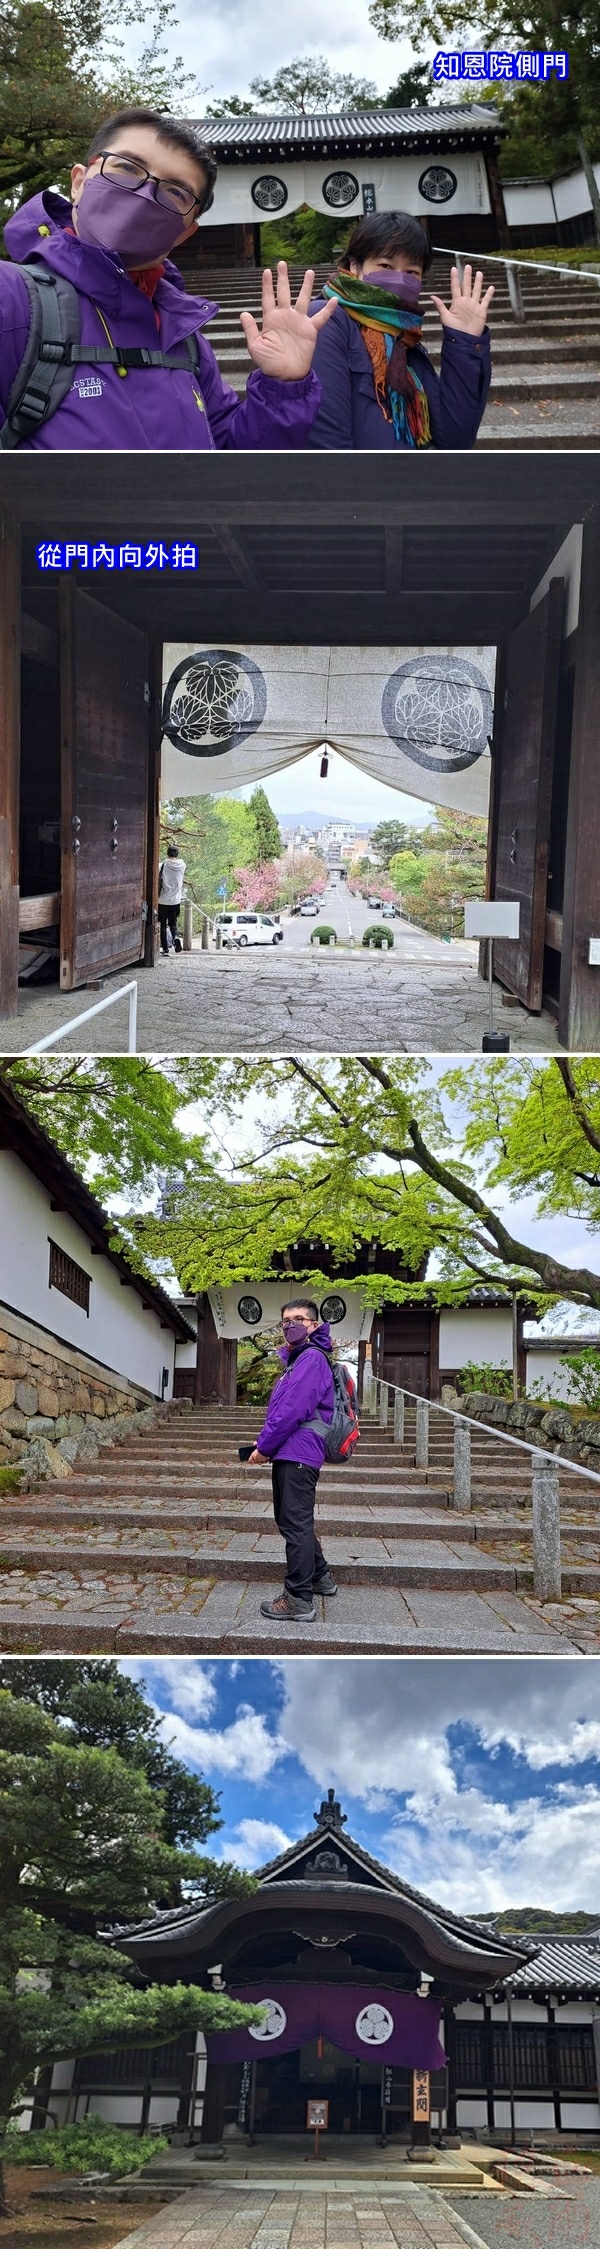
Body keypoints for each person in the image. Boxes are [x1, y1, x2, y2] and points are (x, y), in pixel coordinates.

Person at [0, 106, 337, 451]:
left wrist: (283, 386)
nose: (144, 193)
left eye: (176, 191)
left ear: (185, 233)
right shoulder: (11, 300)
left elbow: (234, 463)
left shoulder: (182, 338)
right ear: (79, 182)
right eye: (128, 168)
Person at [307, 210, 494, 450]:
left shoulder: (406, 339)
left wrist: (464, 343)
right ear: (355, 265)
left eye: (412, 272)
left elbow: (455, 440)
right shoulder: (327, 319)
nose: (399, 279)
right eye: (385, 265)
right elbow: (324, 439)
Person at [248, 1300, 338, 1622]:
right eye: (285, 1320)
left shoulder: (311, 1358)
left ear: (314, 1325)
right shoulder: (298, 1360)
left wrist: (265, 1446)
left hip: (297, 1451)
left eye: (298, 1319)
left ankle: (299, 1599)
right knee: (294, 1520)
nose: (290, 1325)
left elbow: (291, 1411)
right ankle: (320, 1577)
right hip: (294, 1450)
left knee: (294, 1523)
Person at [158, 841, 185, 956]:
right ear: (177, 854)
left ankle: (165, 949)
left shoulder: (162, 865)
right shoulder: (182, 865)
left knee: (162, 925)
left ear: (167, 853)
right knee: (173, 923)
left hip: (162, 900)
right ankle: (175, 937)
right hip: (176, 900)